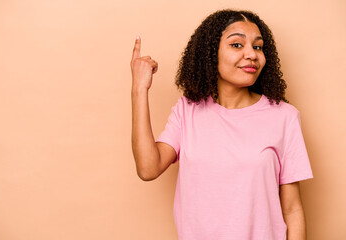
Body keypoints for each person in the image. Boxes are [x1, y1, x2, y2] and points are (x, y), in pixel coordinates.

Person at [130, 9, 314, 240]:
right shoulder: (188, 110)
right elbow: (148, 168)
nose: (252, 55)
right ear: (210, 53)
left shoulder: (284, 117)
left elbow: (292, 210)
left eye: (258, 47)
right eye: (237, 45)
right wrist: (139, 89)